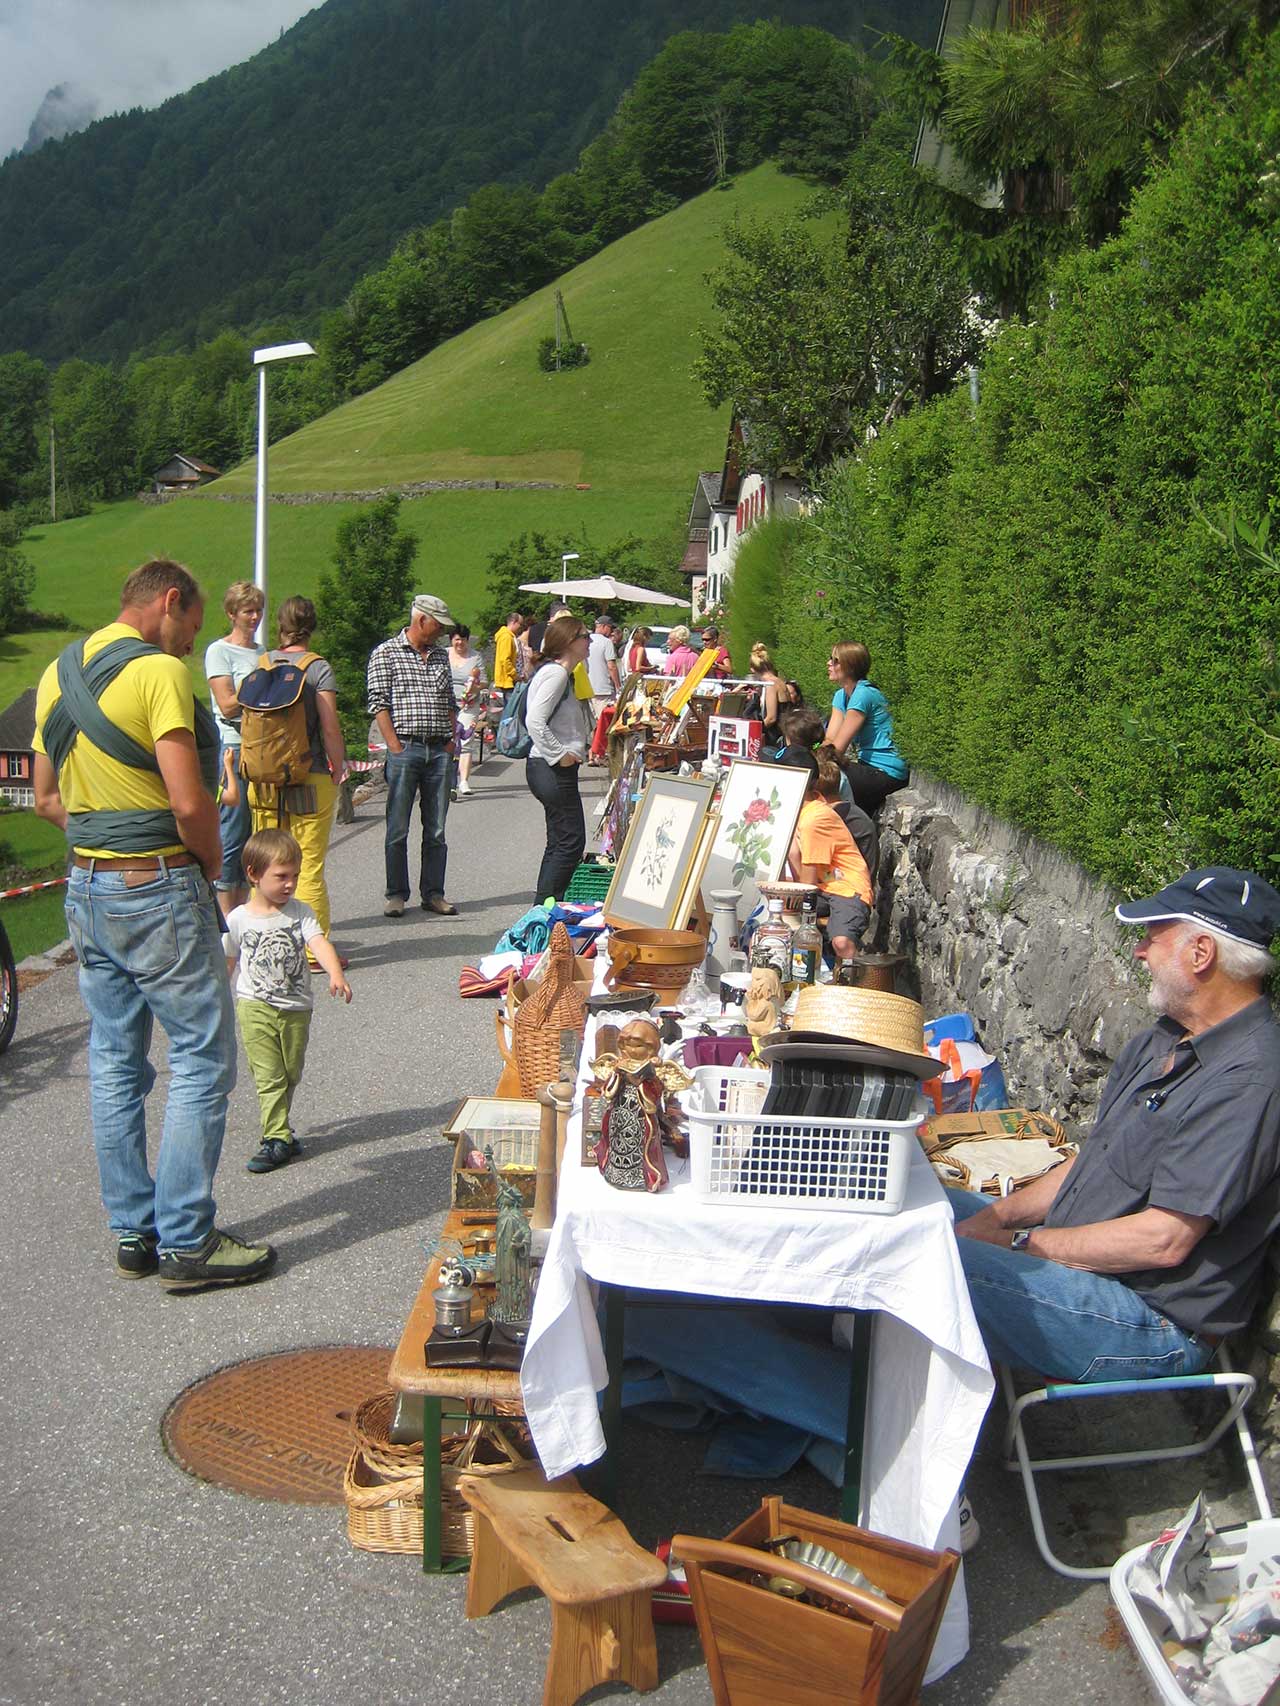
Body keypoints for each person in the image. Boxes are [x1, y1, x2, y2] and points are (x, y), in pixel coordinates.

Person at [31, 558, 275, 1292]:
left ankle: (132, 1231)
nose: (185, 644)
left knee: (115, 1061)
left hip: (87, 887)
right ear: (170, 602)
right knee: (202, 1058)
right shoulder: (159, 674)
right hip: (159, 884)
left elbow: (45, 797)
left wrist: (110, 834)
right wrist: (202, 866)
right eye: (189, 627)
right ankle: (187, 1238)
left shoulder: (56, 674)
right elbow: (191, 801)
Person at [952, 866, 1280, 1389]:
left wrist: (1013, 1243)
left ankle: (847, 1429)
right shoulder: (1165, 1039)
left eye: (1153, 938)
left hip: (1149, 1319)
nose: (1139, 952)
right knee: (918, 1204)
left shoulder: (1251, 1080)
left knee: (927, 1262)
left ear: (1201, 954)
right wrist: (995, 1214)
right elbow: (1095, 1160)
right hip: (1076, 1262)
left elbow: (1162, 1241)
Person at [224, 828, 352, 1175]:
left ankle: (281, 1129)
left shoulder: (300, 912)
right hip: (254, 1005)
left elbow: (318, 943)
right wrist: (217, 994)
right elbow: (228, 961)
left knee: (290, 1072)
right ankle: (275, 1137)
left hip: (296, 1007)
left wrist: (335, 972)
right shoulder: (238, 919)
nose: (290, 884)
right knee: (269, 1075)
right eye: (281, 876)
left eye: (294, 876)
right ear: (253, 874)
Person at [246, 596, 347, 952]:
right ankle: (312, 951)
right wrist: (339, 767)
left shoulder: (260, 665)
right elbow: (330, 728)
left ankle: (259, 940)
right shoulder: (317, 668)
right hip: (310, 776)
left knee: (263, 862)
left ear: (279, 626)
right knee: (305, 865)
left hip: (262, 781)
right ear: (312, 626)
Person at [367, 592, 459, 918]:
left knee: (436, 828)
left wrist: (451, 741)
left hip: (438, 749)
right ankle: (396, 894)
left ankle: (433, 893)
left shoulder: (440, 656)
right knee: (398, 826)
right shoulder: (386, 653)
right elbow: (378, 703)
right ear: (422, 620)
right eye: (439, 626)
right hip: (406, 747)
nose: (443, 632)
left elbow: (450, 700)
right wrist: (394, 746)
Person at [203, 579, 264, 921]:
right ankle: (228, 916)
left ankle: (248, 908)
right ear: (231, 614)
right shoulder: (219, 651)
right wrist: (261, 692)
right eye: (247, 611)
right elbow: (227, 704)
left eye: (257, 610)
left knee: (257, 828)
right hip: (233, 747)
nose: (254, 617)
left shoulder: (261, 652)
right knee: (234, 826)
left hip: (261, 747)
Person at [781, 746, 874, 963]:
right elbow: (795, 856)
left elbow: (808, 883)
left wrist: (801, 918)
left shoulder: (815, 818)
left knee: (841, 942)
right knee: (776, 903)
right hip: (826, 886)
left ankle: (854, 983)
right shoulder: (802, 809)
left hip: (846, 889)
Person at [524, 613, 594, 902]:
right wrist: (560, 755)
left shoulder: (559, 673)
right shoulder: (556, 674)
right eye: (584, 636)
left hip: (547, 766)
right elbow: (535, 721)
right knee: (571, 841)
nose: (589, 641)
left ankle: (545, 905)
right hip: (550, 767)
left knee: (559, 841)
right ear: (568, 641)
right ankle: (546, 908)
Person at [824, 641, 909, 813]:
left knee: (823, 778)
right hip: (867, 767)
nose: (829, 663)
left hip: (886, 771)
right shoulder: (841, 696)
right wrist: (814, 750)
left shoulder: (863, 694)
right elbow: (829, 740)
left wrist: (811, 759)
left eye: (835, 660)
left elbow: (837, 748)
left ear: (850, 666)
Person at [447, 624, 487, 799]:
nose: (460, 643)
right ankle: (447, 778)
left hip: (468, 704)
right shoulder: (443, 654)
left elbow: (484, 681)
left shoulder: (475, 658)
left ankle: (463, 780)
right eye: (457, 640)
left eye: (463, 640)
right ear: (451, 640)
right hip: (447, 703)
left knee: (465, 740)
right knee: (447, 739)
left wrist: (474, 690)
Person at [748, 642, 787, 748]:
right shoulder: (779, 681)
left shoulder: (770, 684)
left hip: (776, 736)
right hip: (784, 731)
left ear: (753, 669)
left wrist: (754, 732)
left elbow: (771, 718)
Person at [586, 613, 621, 723]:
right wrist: (618, 686)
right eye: (610, 628)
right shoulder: (607, 643)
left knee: (590, 722)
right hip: (602, 688)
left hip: (586, 687)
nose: (611, 632)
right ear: (604, 627)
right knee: (603, 722)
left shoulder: (586, 640)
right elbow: (611, 666)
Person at [492, 611, 523, 703]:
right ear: (513, 622)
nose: (520, 627)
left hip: (506, 681)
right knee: (509, 712)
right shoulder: (506, 637)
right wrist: (515, 675)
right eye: (520, 624)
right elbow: (505, 660)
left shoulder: (508, 636)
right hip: (506, 682)